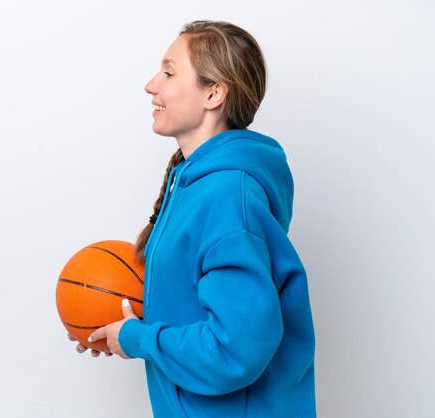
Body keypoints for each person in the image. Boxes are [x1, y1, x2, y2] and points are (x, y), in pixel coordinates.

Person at [73, 20, 316, 417]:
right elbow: (199, 307)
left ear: (214, 93)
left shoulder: (225, 196)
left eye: (169, 72)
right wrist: (107, 321)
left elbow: (237, 347)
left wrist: (140, 340)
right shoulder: (191, 185)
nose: (152, 85)